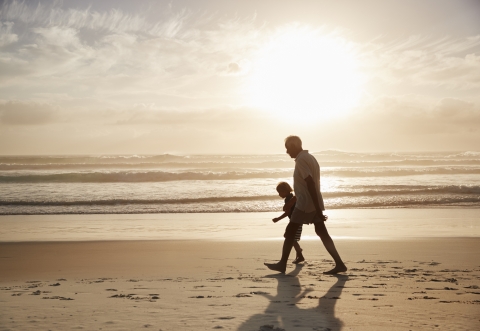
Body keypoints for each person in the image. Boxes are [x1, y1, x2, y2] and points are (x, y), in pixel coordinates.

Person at [264, 135, 347, 274]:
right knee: (322, 232)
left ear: (294, 146)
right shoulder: (310, 158)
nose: (287, 152)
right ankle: (339, 264)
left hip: (305, 204)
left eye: (288, 149)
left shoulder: (301, 160)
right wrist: (317, 206)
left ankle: (282, 264)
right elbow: (307, 184)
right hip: (312, 203)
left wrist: (317, 207)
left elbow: (309, 183)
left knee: (290, 232)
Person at [272, 182, 305, 264]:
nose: (279, 194)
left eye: (280, 192)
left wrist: (278, 218)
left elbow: (287, 212)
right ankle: (299, 252)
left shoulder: (289, 199)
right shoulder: (292, 197)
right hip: (297, 220)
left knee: (290, 238)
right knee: (290, 237)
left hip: (296, 221)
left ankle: (300, 254)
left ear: (285, 191)